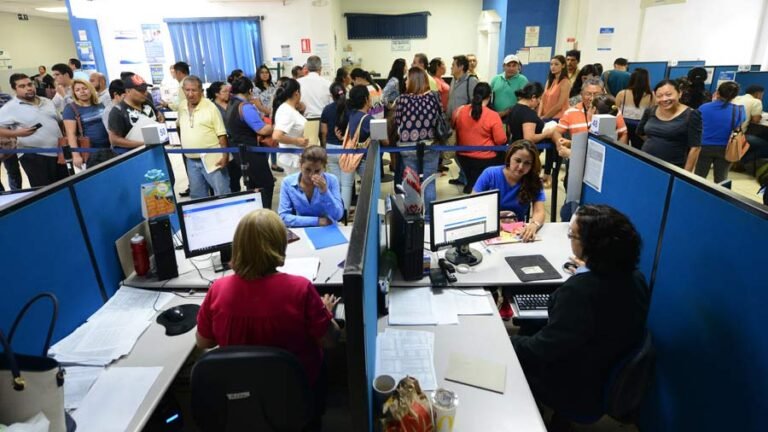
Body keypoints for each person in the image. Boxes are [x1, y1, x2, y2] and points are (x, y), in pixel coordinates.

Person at [196, 208, 341, 431]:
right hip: (294, 396)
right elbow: (329, 341)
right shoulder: (300, 289)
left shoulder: (218, 290)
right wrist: (325, 311)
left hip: (238, 398)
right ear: (279, 245)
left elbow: (204, 342)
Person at [511, 205, 650, 423]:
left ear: (591, 245)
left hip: (576, 386)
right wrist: (590, 268)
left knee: (514, 348)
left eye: (571, 235)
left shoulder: (578, 293)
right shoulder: (636, 278)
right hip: (601, 368)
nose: (570, 240)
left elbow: (543, 349)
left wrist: (507, 342)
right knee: (529, 327)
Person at [0, 73, 66, 187]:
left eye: (30, 84)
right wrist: (16, 133)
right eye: (22, 86)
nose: (28, 88)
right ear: (14, 89)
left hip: (59, 153)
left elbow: (59, 122)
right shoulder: (10, 108)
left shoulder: (47, 101)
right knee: (45, 192)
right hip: (33, 155)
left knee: (65, 186)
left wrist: (64, 139)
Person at [473, 140, 545, 239]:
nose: (521, 167)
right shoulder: (490, 174)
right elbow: (473, 204)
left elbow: (539, 211)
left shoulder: (534, 181)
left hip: (516, 233)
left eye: (527, 163)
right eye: (518, 160)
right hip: (487, 229)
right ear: (509, 158)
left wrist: (534, 225)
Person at [394, 67, 441, 216]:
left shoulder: (402, 99)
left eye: (407, 79)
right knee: (429, 183)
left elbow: (397, 122)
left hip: (408, 148)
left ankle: (414, 218)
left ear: (413, 80)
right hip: (430, 146)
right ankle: (428, 218)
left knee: (411, 185)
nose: (406, 82)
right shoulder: (434, 97)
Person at [177, 76, 230, 198]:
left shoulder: (211, 107)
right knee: (197, 196)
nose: (190, 94)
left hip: (213, 159)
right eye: (187, 90)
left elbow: (221, 134)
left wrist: (225, 155)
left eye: (194, 90)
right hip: (191, 160)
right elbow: (179, 126)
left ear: (201, 91)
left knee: (222, 193)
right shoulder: (182, 106)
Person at [225, 77, 275, 209]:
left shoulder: (231, 104)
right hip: (250, 150)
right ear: (250, 90)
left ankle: (254, 213)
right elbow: (262, 129)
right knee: (266, 183)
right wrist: (276, 126)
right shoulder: (245, 106)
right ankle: (264, 216)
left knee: (252, 184)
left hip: (238, 149)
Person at [554, 78, 629, 160]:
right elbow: (557, 131)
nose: (592, 98)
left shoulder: (612, 112)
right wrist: (560, 144)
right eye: (588, 94)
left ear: (603, 94)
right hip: (576, 159)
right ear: (581, 94)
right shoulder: (570, 112)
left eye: (596, 94)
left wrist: (620, 155)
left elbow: (623, 133)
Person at [452, 82, 506, 193]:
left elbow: (453, 126)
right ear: (489, 96)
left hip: (462, 157)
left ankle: (471, 187)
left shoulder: (459, 111)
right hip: (486, 158)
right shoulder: (492, 115)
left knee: (473, 180)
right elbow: (501, 140)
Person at [638, 79, 702, 171]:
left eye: (668, 94)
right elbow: (640, 132)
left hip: (673, 166)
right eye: (659, 96)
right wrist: (657, 142)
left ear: (679, 93)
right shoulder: (650, 111)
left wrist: (685, 175)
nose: (664, 99)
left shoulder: (691, 114)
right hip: (646, 160)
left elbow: (695, 148)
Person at [278, 146, 344, 227]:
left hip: (326, 230)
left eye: (317, 171)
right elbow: (283, 217)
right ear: (300, 165)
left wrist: (325, 191)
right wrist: (317, 221)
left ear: (324, 168)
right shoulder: (287, 182)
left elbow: (338, 215)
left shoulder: (332, 180)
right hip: (302, 229)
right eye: (307, 169)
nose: (311, 175)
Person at [695, 81, 745, 183]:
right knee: (721, 179)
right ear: (735, 95)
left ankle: (696, 196)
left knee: (699, 176)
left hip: (704, 146)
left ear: (717, 92)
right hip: (726, 148)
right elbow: (737, 127)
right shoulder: (739, 111)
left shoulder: (703, 108)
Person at [62, 78, 114, 168]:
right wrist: (76, 155)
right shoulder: (70, 108)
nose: (82, 92)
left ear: (90, 89)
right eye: (77, 90)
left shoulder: (100, 104)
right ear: (74, 93)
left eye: (84, 88)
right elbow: (71, 134)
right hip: (90, 152)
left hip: (108, 148)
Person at [320, 83, 353, 209]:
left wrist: (324, 147)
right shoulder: (351, 109)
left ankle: (336, 210)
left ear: (331, 95)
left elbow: (324, 131)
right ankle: (344, 213)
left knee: (336, 183)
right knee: (346, 184)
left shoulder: (327, 109)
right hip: (347, 149)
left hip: (331, 148)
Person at [107, 74, 162, 150]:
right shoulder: (118, 111)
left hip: (155, 150)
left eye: (145, 89)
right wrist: (143, 144)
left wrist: (160, 118)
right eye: (140, 90)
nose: (145, 93)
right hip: (133, 155)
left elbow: (157, 115)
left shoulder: (147, 103)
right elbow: (114, 140)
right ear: (128, 91)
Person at [507, 83, 554, 169]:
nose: (539, 102)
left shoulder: (513, 108)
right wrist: (546, 134)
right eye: (539, 98)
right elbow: (529, 138)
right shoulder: (529, 113)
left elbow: (510, 130)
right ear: (533, 97)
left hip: (515, 149)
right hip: (527, 154)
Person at [272, 78, 309, 174]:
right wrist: (296, 141)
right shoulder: (286, 111)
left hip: (297, 156)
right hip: (292, 158)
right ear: (297, 93)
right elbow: (276, 136)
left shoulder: (290, 109)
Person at [252, 65, 282, 172]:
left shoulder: (273, 85)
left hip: (274, 116)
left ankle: (274, 164)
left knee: (274, 140)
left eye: (266, 72)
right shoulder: (255, 87)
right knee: (266, 142)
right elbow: (258, 104)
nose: (265, 74)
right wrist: (270, 112)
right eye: (262, 72)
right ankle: (265, 168)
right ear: (258, 74)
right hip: (263, 117)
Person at [616, 68, 654, 149]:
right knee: (638, 151)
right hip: (640, 127)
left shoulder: (622, 93)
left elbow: (615, 112)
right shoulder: (652, 96)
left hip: (624, 125)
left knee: (622, 149)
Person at [298, 56, 331, 146]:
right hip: (324, 121)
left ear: (307, 68)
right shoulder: (328, 83)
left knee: (310, 154)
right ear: (320, 68)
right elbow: (331, 104)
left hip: (306, 121)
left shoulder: (298, 83)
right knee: (324, 152)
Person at [733, 85, 767, 161]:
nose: (761, 97)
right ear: (758, 94)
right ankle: (740, 162)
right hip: (739, 136)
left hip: (727, 134)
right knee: (766, 146)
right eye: (762, 95)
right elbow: (756, 120)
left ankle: (737, 158)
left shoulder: (736, 98)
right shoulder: (756, 101)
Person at [489, 54, 528, 121]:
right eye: (508, 65)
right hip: (496, 116)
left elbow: (525, 101)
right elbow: (488, 96)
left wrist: (506, 112)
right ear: (504, 66)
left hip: (514, 117)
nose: (511, 68)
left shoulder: (523, 80)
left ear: (518, 67)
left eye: (514, 66)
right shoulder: (495, 79)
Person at [539, 55, 572, 120]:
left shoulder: (565, 82)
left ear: (563, 65)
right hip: (545, 116)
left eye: (556, 64)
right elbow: (542, 100)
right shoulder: (549, 81)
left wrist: (545, 117)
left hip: (558, 118)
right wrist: (539, 115)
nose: (553, 67)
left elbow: (559, 105)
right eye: (551, 64)